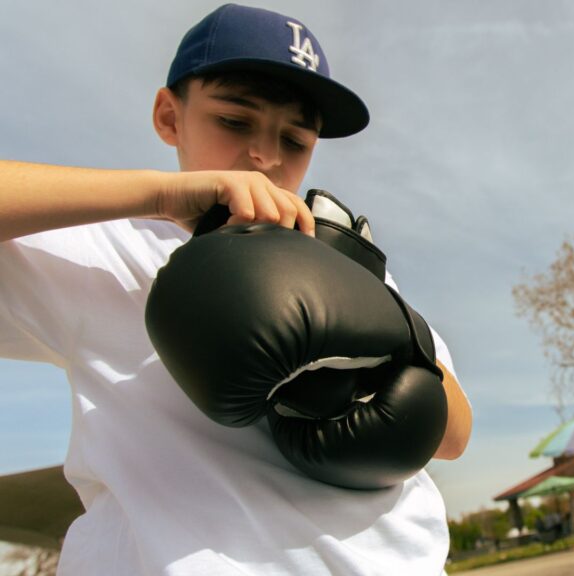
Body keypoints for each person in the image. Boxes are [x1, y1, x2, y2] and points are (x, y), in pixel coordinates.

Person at [0, 4, 471, 575]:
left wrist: (379, 318)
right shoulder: (103, 249)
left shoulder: (342, 255)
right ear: (169, 117)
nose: (266, 157)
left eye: (295, 139)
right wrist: (158, 197)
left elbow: (453, 435)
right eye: (234, 121)